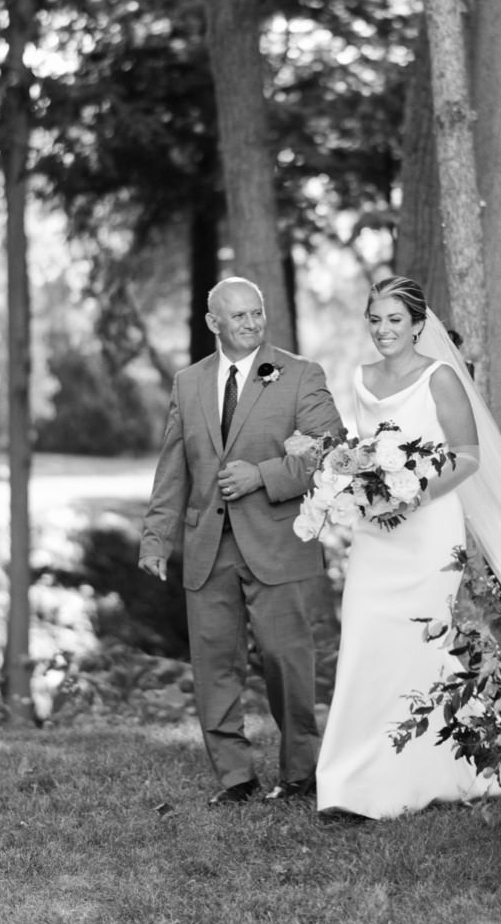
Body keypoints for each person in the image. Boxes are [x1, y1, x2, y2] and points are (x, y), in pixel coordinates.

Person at [314, 275, 501, 820]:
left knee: (417, 646)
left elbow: (467, 457)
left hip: (428, 529)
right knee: (364, 637)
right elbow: (368, 452)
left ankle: (414, 774)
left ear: (419, 325)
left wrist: (414, 494)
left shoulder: (440, 377)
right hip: (377, 534)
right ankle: (347, 780)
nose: (383, 330)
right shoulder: (360, 378)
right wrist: (358, 486)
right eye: (375, 319)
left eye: (394, 320)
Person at [139, 277, 347, 805]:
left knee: (286, 661)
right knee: (213, 666)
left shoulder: (301, 375)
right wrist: (156, 538)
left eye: (257, 312)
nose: (253, 323)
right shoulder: (188, 383)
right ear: (214, 323)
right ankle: (236, 778)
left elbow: (330, 452)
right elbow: (173, 467)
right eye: (239, 316)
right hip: (208, 547)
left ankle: (300, 773)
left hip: (278, 543)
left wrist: (264, 475)